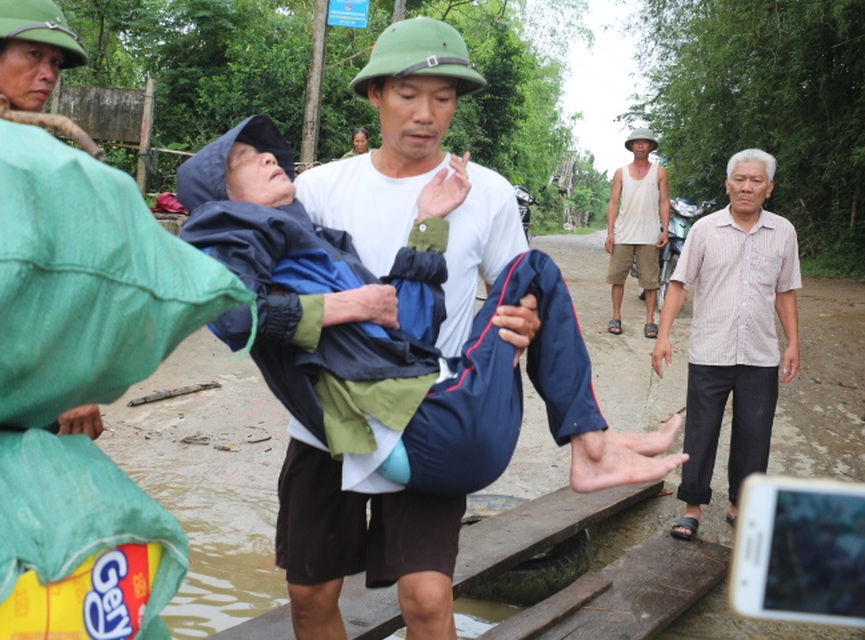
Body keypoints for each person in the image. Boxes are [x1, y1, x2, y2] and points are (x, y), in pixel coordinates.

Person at [249, 18, 684, 639]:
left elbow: (514, 291)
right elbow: (269, 296)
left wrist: (525, 319)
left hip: (430, 413)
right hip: (331, 421)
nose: (425, 114)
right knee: (311, 594)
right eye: (407, 94)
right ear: (375, 95)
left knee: (427, 598)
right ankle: (591, 442)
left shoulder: (485, 191)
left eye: (443, 97)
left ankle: (591, 442)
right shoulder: (320, 190)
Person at [177, 114, 687, 498]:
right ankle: (591, 446)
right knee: (535, 269)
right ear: (219, 197)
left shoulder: (310, 244)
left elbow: (410, 334)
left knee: (530, 273)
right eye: (243, 159)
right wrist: (350, 304)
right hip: (428, 430)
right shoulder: (227, 230)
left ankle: (593, 443)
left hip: (437, 421)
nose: (267, 158)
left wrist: (428, 221)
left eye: (265, 153)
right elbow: (236, 317)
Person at [0, 0, 103, 439]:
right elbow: (15, 278)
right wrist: (68, 381)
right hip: (4, 382)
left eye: (55, 61)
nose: (49, 73)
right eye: (34, 54)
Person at [651, 148, 801, 542]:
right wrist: (663, 336)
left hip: (760, 352)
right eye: (740, 179)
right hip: (710, 349)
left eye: (755, 181)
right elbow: (680, 285)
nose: (746, 187)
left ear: (769, 189)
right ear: (727, 184)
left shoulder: (783, 232)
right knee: (701, 431)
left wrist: (793, 342)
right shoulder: (704, 230)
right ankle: (692, 507)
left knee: (755, 434)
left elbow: (786, 292)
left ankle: (740, 505)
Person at [604, 127, 670, 338]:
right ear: (631, 146)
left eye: (645, 142)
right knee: (617, 277)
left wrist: (665, 230)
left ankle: (650, 320)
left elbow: (664, 201)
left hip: (649, 233)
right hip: (623, 233)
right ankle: (616, 316)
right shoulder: (621, 172)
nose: (641, 145)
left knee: (651, 280)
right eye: (637, 142)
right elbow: (613, 202)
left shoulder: (659, 171)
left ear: (651, 146)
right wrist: (610, 232)